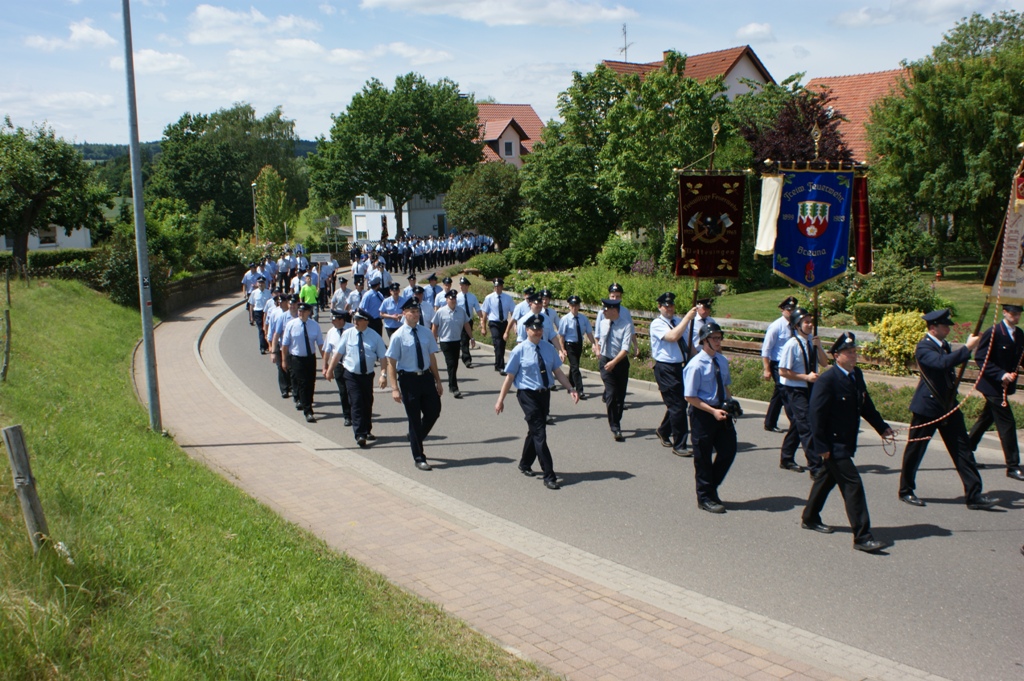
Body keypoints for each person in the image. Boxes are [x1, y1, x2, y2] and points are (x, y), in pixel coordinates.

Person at [802, 333, 893, 553]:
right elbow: (816, 415)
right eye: (849, 353)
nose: (853, 356)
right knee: (853, 485)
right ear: (836, 356)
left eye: (854, 352)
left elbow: (865, 405)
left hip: (846, 441)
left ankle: (810, 517)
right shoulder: (827, 380)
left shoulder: (856, 375)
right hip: (833, 444)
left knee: (826, 479)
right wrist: (821, 447)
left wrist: (881, 427)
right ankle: (862, 537)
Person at [898, 309, 996, 510]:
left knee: (963, 449)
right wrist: (967, 348)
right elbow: (941, 364)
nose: (948, 329)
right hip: (928, 407)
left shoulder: (943, 345)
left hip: (947, 405)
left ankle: (974, 494)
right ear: (933, 328)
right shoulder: (924, 347)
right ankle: (906, 490)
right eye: (944, 326)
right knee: (915, 451)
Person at [495, 314, 579, 490]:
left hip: (544, 394)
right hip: (527, 395)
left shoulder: (548, 348)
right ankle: (549, 475)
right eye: (534, 329)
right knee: (540, 433)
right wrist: (500, 400)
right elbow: (510, 377)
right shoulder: (519, 350)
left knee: (535, 431)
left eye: (540, 329)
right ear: (527, 330)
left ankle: (525, 463)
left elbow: (557, 372)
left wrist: (570, 389)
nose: (538, 332)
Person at [683, 322, 737, 514]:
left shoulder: (721, 361)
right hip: (702, 413)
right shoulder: (695, 365)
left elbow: (725, 385)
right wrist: (712, 411)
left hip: (721, 411)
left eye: (719, 338)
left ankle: (710, 487)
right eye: (714, 338)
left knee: (729, 450)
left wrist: (731, 403)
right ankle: (705, 497)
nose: (718, 341)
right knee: (703, 457)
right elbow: (690, 396)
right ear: (704, 340)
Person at [385, 297, 444, 471]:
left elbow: (431, 357)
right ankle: (419, 457)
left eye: (417, 311)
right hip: (408, 380)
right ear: (404, 313)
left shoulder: (426, 333)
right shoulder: (398, 336)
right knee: (414, 419)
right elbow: (391, 363)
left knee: (434, 411)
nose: (416, 315)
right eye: (412, 312)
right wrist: (394, 388)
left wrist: (438, 380)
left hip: (426, 378)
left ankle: (415, 437)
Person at [968, 303, 1024, 481]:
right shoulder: (993, 332)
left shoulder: (1019, 334)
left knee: (986, 419)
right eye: (1013, 314)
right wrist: (1001, 374)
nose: (1016, 317)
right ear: (1005, 313)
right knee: (1007, 423)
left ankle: (965, 453)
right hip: (992, 386)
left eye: (1019, 314)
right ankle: (1012, 466)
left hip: (1005, 387)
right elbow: (980, 358)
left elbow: (1021, 357)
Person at [777, 307, 829, 474]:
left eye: (810, 322)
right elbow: (783, 371)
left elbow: (824, 363)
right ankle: (816, 466)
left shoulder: (812, 342)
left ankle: (786, 458)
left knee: (798, 424)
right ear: (797, 325)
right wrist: (806, 377)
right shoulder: (792, 345)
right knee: (807, 425)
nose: (810, 325)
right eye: (806, 322)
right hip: (795, 389)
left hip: (811, 388)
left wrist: (819, 347)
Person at [326, 308, 387, 447]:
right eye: (354, 319)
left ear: (366, 321)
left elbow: (383, 357)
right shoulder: (348, 334)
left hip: (367, 375)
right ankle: (360, 433)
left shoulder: (374, 336)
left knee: (367, 402)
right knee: (356, 402)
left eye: (358, 320)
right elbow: (338, 354)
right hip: (351, 375)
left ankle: (367, 429)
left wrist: (383, 375)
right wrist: (329, 370)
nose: (355, 322)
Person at [650, 292, 698, 456]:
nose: (669, 309)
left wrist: (699, 360)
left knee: (680, 403)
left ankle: (663, 430)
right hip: (666, 368)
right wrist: (687, 318)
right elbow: (672, 336)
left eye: (671, 305)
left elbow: (688, 343)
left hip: (682, 367)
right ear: (659, 307)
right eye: (666, 306)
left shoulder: (678, 321)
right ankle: (679, 445)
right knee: (677, 406)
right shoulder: (657, 324)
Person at [280, 302, 324, 423]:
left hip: (310, 358)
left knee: (311, 382)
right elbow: (285, 345)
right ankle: (308, 411)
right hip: (297, 359)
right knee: (303, 383)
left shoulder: (314, 325)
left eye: (303, 311)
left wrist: (325, 361)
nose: (300, 313)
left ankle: (307, 401)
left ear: (309, 312)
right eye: (299, 311)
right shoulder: (291, 325)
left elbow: (320, 344)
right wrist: (284, 360)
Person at [595, 298, 631, 442]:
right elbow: (599, 338)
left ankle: (616, 418)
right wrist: (597, 349)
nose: (603, 312)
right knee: (611, 393)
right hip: (605, 361)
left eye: (606, 309)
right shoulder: (603, 323)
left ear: (614, 310)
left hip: (620, 362)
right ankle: (615, 426)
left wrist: (614, 362)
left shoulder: (626, 325)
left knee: (620, 397)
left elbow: (625, 349)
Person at [761, 296, 798, 432]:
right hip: (778, 365)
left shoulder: (796, 325)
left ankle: (770, 422)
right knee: (786, 392)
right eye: (788, 309)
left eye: (793, 309)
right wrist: (767, 369)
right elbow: (766, 350)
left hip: (791, 364)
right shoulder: (776, 326)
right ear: (782, 310)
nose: (791, 312)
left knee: (779, 395)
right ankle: (795, 422)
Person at [432, 289, 475, 398]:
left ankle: (451, 384)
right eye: (451, 299)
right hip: (445, 341)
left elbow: (466, 325)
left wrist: (472, 337)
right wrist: (433, 339)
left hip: (456, 341)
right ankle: (454, 387)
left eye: (455, 298)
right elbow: (435, 325)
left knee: (455, 364)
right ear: (447, 299)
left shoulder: (461, 311)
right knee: (451, 363)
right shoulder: (441, 312)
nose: (453, 301)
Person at [557, 295, 594, 400]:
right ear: (569, 306)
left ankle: (570, 384)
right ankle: (579, 390)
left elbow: (589, 332)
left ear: (579, 306)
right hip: (569, 345)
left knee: (574, 366)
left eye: (576, 305)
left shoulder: (583, 318)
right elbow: (561, 336)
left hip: (579, 344)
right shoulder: (565, 319)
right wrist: (562, 349)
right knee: (575, 367)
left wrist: (593, 344)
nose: (574, 307)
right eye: (572, 305)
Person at [321, 309, 354, 427]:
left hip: (351, 365)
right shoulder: (331, 332)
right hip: (338, 366)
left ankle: (355, 414)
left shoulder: (352, 329)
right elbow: (327, 350)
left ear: (341, 320)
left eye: (334, 320)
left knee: (352, 391)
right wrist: (325, 366)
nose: (332, 322)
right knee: (343, 392)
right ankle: (347, 416)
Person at [481, 278, 514, 374]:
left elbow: (513, 312)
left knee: (502, 345)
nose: (497, 288)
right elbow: (485, 313)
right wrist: (483, 327)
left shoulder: (508, 298)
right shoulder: (489, 298)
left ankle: (497, 364)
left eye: (499, 286)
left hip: (504, 323)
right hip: (493, 323)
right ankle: (501, 366)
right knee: (498, 343)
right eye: (495, 287)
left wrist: (514, 325)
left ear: (502, 287)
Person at [455, 276, 480, 368]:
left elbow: (477, 308)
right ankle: (467, 359)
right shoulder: (457, 297)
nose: (461, 287)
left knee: (466, 339)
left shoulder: (472, 297)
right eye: (460, 285)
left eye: (463, 285)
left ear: (467, 286)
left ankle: (464, 354)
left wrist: (481, 319)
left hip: (469, 321)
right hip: (460, 321)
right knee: (464, 340)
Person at [247, 276, 273, 354]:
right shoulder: (254, 293)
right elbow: (251, 305)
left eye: (262, 283)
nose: (261, 284)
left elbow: (271, 304)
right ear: (257, 283)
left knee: (267, 329)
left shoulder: (268, 292)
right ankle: (262, 347)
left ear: (265, 284)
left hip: (267, 313)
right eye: (259, 283)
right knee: (261, 329)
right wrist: (251, 316)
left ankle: (267, 345)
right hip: (258, 312)